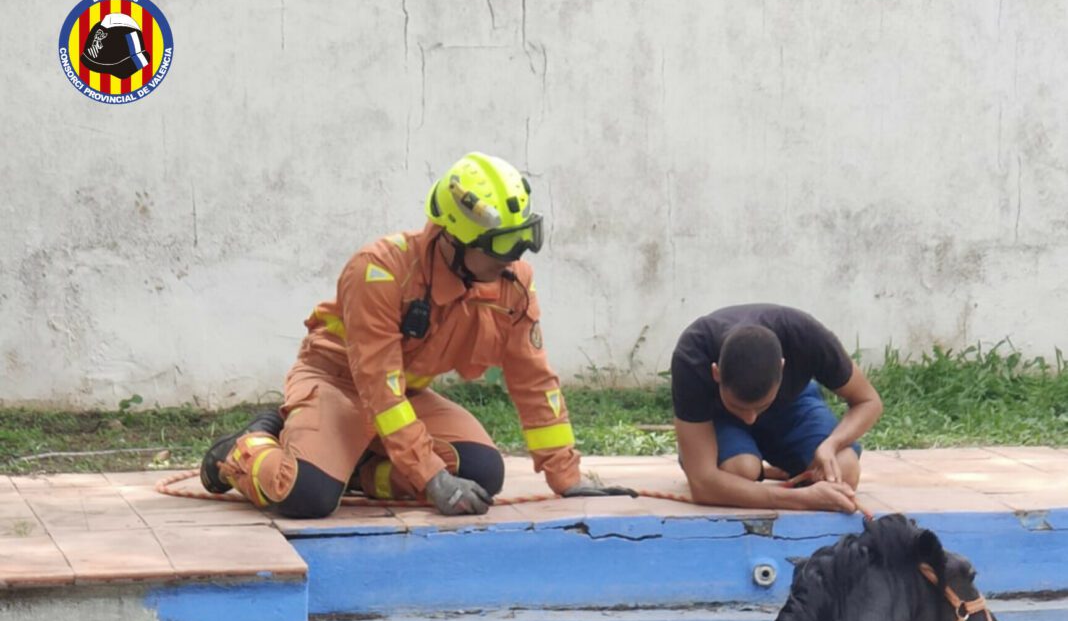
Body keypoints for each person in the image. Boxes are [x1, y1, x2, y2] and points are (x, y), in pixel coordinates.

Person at [200, 153, 634, 519]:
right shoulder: (379, 271)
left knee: (481, 473)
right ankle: (239, 452)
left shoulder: (510, 283)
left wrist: (567, 477)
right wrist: (431, 477)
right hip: (338, 384)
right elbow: (378, 387)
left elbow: (533, 379)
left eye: (522, 239)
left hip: (403, 395)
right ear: (453, 239)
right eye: (500, 244)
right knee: (308, 495)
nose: (513, 257)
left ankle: (358, 468)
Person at [670, 304, 883, 514]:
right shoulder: (693, 353)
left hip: (792, 405)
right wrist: (802, 500)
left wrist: (832, 444)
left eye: (761, 406)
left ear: (782, 368)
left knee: (843, 471)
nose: (750, 418)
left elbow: (868, 401)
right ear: (716, 373)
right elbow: (703, 483)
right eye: (738, 406)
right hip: (721, 417)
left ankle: (767, 461)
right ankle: (741, 459)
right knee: (739, 471)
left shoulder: (805, 335)